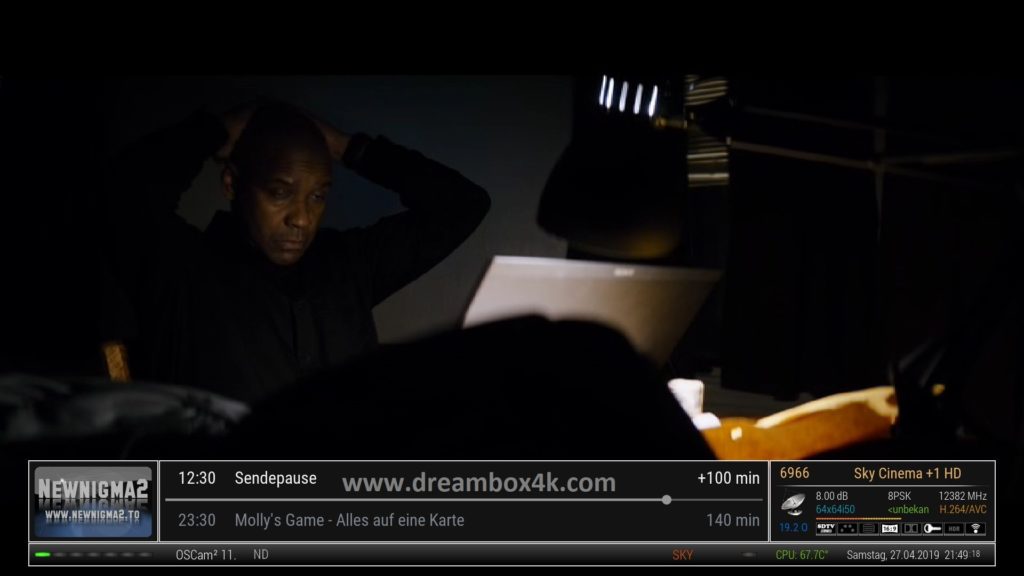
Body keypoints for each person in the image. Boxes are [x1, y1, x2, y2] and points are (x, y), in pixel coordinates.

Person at [104, 101, 490, 405]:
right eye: (280, 193)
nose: (302, 219)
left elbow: (462, 205)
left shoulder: (348, 264)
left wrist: (345, 147)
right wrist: (215, 131)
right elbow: (118, 195)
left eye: (318, 196)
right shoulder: (182, 269)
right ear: (232, 184)